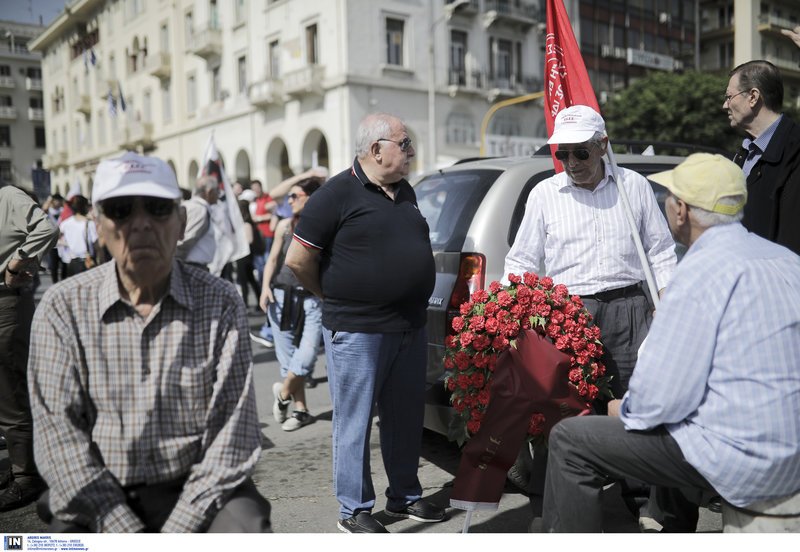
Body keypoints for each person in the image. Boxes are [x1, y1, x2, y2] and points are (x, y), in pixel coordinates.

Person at [541, 153, 800, 533]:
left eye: (670, 197)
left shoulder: (697, 273)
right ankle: (665, 527)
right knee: (682, 426)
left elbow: (657, 402)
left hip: (743, 460)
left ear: (681, 211)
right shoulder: (787, 261)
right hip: (789, 447)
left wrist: (618, 407)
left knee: (569, 440)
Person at [28, 152, 271, 533]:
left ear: (181, 222)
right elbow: (58, 438)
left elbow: (233, 437)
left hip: (199, 486)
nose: (140, 225)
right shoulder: (63, 307)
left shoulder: (220, 301)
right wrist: (124, 528)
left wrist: (175, 533)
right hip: (99, 491)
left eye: (158, 209)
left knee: (247, 527)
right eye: (120, 210)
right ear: (99, 225)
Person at [285, 112, 446, 533]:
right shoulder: (333, 195)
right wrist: (332, 296)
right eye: (404, 144)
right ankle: (353, 509)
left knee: (405, 417)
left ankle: (404, 498)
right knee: (354, 421)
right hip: (357, 329)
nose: (411, 152)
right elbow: (298, 260)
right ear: (377, 149)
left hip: (408, 325)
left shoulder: (405, 191)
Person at [0, 183, 59, 511]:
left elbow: (47, 228)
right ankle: (23, 467)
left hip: (7, 302)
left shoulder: (7, 196)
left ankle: (28, 478)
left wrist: (15, 264)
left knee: (12, 392)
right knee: (7, 393)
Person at [259, 179, 323, 432]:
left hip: (312, 299)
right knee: (287, 360)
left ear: (310, 198)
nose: (290, 200)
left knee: (306, 358)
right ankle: (301, 410)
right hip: (280, 297)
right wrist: (264, 287)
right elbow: (273, 258)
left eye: (295, 196)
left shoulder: (322, 226)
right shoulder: (285, 226)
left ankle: (283, 393)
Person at [724, 60, 800, 255]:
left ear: (753, 97)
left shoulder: (794, 151)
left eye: (729, 96)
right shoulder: (744, 153)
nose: (725, 105)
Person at [175, 175, 218, 271]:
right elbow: (186, 240)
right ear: (209, 192)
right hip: (193, 267)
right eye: (217, 191)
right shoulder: (199, 210)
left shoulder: (195, 207)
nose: (218, 194)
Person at [57, 195, 98, 278]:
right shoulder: (90, 224)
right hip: (87, 261)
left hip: (72, 263)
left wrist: (68, 244)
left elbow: (55, 239)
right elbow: (96, 244)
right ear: (85, 207)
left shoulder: (66, 223)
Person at [236, 199, 264, 310]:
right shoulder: (243, 222)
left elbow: (249, 240)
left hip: (245, 256)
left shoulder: (246, 223)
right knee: (249, 280)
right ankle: (254, 303)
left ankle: (246, 304)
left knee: (245, 280)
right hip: (243, 255)